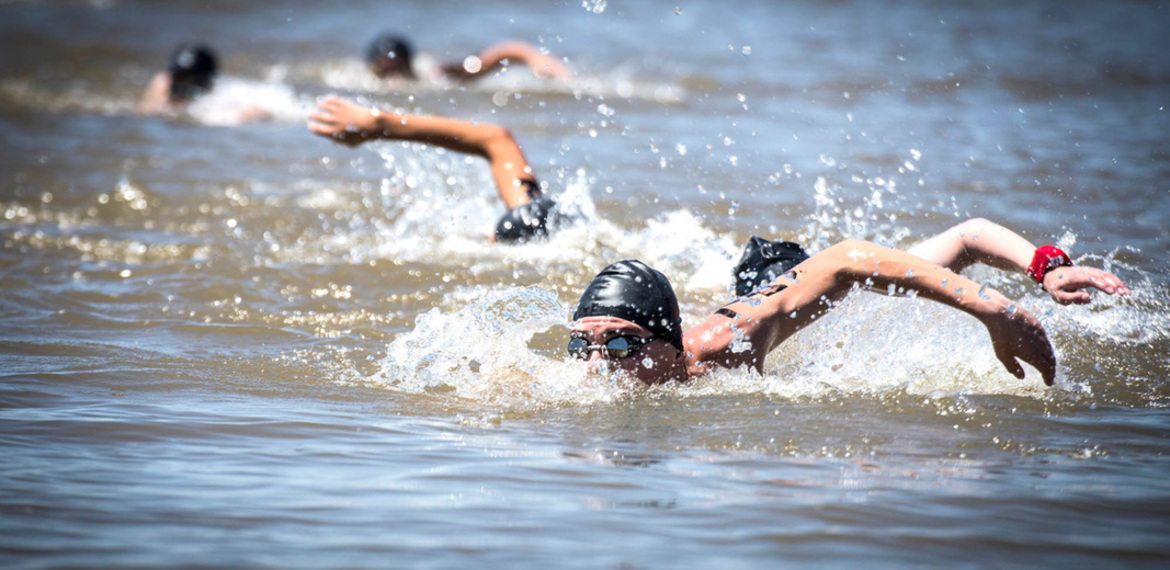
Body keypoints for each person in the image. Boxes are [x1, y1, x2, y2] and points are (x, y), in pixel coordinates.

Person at [570, 223, 1128, 387]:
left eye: (620, 345)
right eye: (584, 347)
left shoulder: (725, 343)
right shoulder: (580, 374)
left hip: (783, 285)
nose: (598, 367)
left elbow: (851, 256)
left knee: (913, 272)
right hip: (770, 287)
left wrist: (1036, 278)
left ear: (669, 346)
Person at [308, 96, 569, 242]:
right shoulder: (532, 221)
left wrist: (381, 124)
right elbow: (497, 140)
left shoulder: (526, 223)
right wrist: (380, 124)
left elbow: (497, 138)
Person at [365, 32, 571, 83]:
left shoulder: (434, 74)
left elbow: (501, 52)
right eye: (384, 71)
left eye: (397, 69)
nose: (392, 77)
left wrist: (536, 58)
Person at [138, 43, 271, 122]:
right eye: (178, 78)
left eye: (190, 81)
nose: (180, 87)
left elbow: (258, 110)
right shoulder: (164, 86)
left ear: (206, 82)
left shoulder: (223, 96)